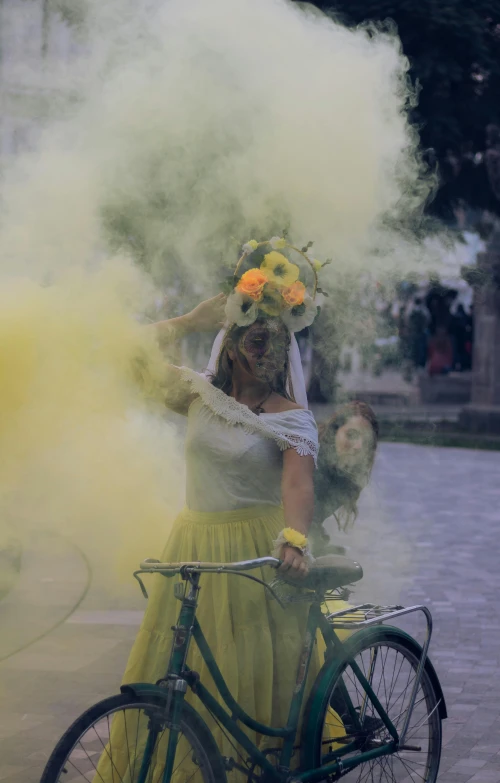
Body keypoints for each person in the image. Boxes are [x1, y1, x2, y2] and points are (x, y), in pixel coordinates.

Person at [98, 238, 327, 779]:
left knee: (245, 681)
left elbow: (298, 486)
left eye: (270, 343)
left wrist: (294, 540)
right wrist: (189, 319)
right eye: (250, 339)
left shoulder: (291, 418)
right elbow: (124, 355)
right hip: (194, 547)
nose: (260, 351)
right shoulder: (198, 394)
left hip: (254, 559)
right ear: (230, 341)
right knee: (179, 671)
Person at [310, 401, 379, 556]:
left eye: (367, 440)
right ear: (335, 433)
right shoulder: (311, 463)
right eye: (351, 435)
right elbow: (294, 517)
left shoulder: (349, 478)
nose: (358, 446)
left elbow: (311, 519)